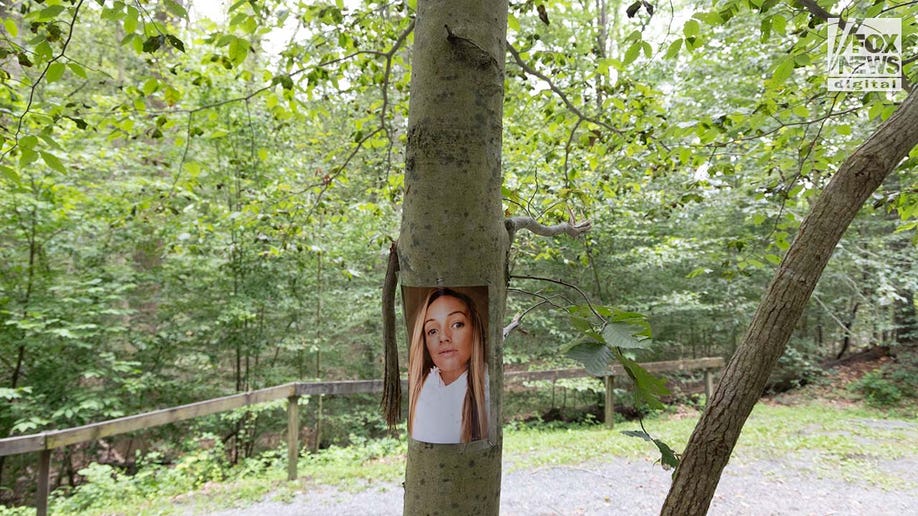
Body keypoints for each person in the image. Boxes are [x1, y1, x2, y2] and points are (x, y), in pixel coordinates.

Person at [408, 288, 489, 443]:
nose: (443, 337)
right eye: (432, 331)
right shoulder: (421, 387)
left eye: (456, 324)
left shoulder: (489, 387)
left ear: (475, 330)